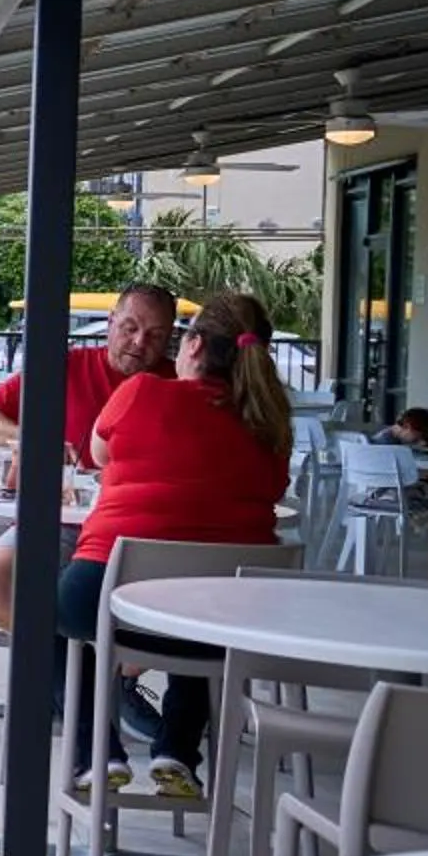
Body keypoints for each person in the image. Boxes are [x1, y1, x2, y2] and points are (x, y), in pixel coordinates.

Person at [55, 291, 295, 800]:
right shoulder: (271, 428)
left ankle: (96, 753)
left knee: (46, 616)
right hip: (221, 627)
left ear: (192, 345)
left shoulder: (141, 391)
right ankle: (178, 752)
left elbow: (96, 456)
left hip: (108, 598)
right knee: (207, 586)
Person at [0, 283, 177, 631]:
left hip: (142, 530)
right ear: (111, 322)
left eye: (155, 335)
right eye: (130, 328)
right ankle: (63, 665)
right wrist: (36, 441)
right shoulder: (65, 367)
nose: (139, 343)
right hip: (59, 521)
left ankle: (82, 671)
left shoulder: (178, 381)